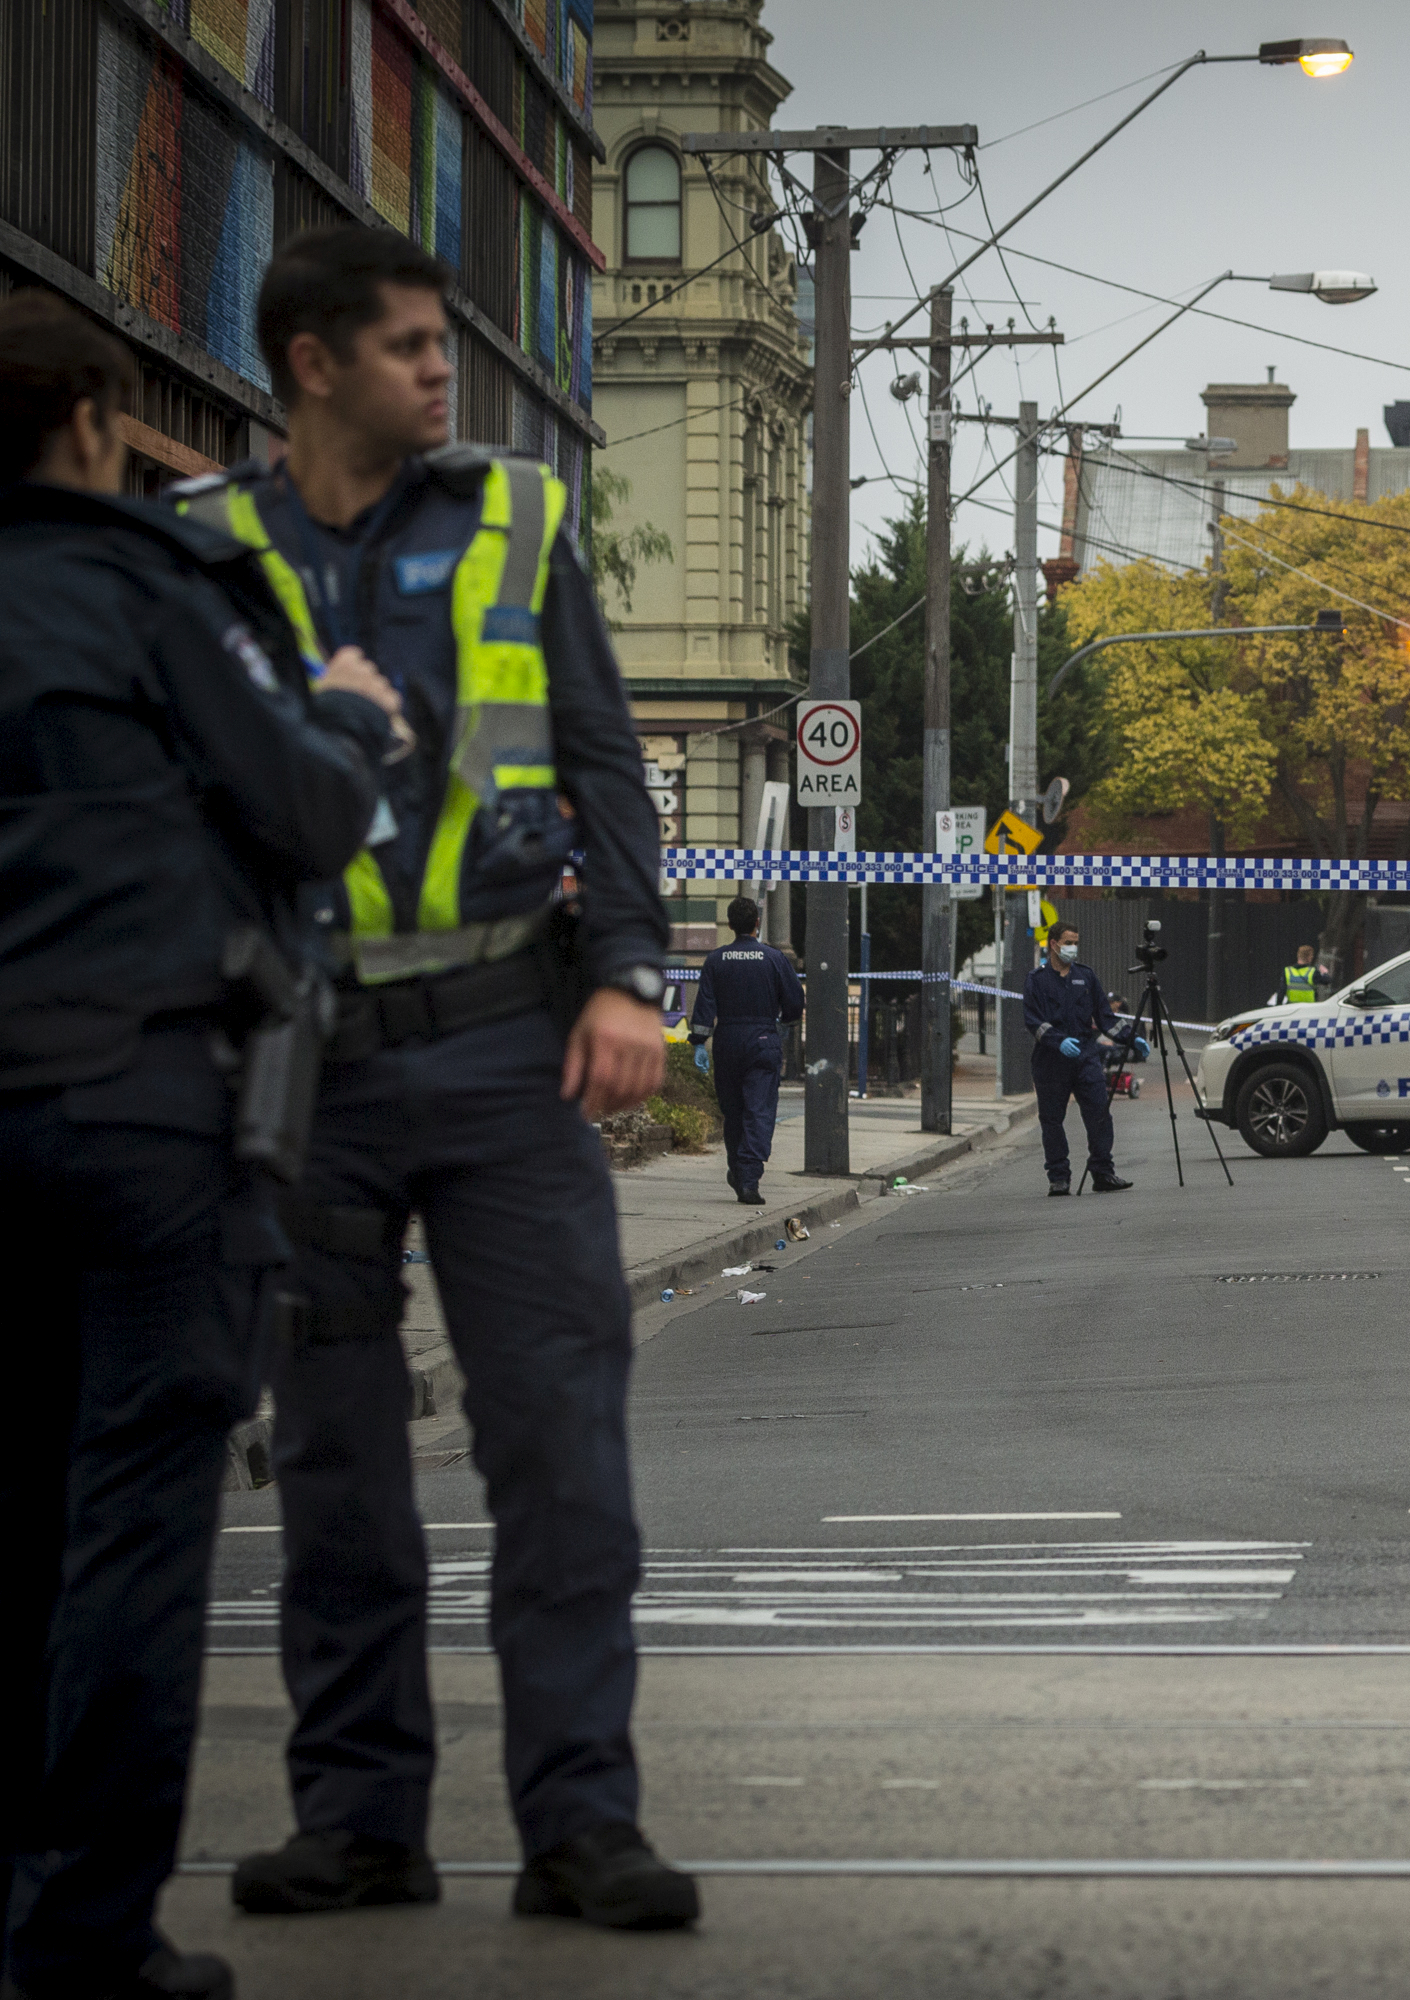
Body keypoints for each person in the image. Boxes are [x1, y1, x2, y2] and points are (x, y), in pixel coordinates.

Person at [181, 227, 697, 1932]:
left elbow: (606, 756)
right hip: (296, 1060)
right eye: (405, 347)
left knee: (558, 1445)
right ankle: (359, 1820)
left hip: (504, 1040)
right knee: (330, 1455)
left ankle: (580, 1825)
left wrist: (631, 971)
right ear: (311, 364)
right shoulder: (200, 553)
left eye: (444, 345)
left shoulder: (515, 521)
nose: (440, 373)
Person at [1, 294, 397, 2000]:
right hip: (136, 1121)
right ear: (95, 424)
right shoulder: (154, 594)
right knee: (133, 1542)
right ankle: (84, 1940)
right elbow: (305, 807)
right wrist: (352, 716)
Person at [688, 895, 802, 1204]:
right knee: (758, 1110)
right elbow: (794, 1002)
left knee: (734, 1111)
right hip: (763, 1040)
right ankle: (749, 1177)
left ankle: (737, 1169)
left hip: (727, 1041)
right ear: (757, 923)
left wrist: (699, 1042)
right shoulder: (775, 959)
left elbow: (704, 1006)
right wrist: (784, 1022)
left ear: (729, 924)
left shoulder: (715, 960)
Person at [1023, 922, 1144, 1195]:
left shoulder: (1086, 976)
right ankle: (1058, 1177)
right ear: (1054, 944)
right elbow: (1033, 1020)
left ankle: (1102, 1172)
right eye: (1068, 942)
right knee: (1052, 1120)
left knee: (1099, 1113)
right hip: (1051, 1060)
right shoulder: (1037, 979)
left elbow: (1105, 1017)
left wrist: (1130, 1037)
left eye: (1076, 942)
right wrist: (1057, 1041)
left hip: (1085, 1056)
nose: (1073, 948)